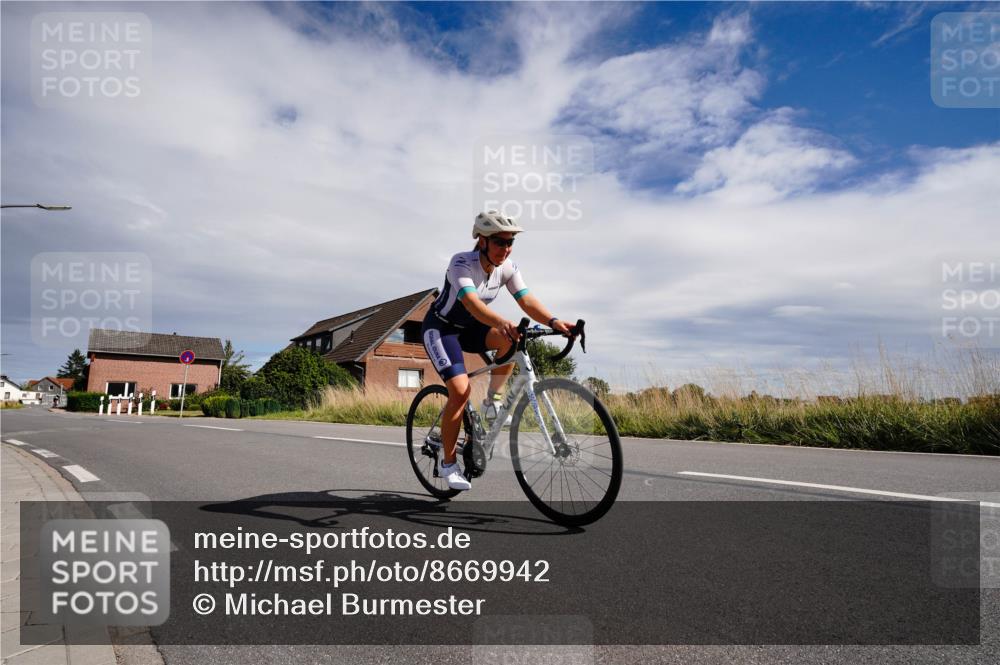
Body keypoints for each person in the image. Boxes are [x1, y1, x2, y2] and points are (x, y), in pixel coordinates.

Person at [422, 210, 575, 491]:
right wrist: (503, 322)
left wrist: (554, 321)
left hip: (472, 329)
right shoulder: (461, 263)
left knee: (511, 342)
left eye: (510, 242)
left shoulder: (508, 268)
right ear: (482, 241)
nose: (506, 249)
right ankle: (447, 463)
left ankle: (493, 400)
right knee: (459, 389)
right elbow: (470, 303)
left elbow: (526, 299)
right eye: (500, 242)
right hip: (442, 328)